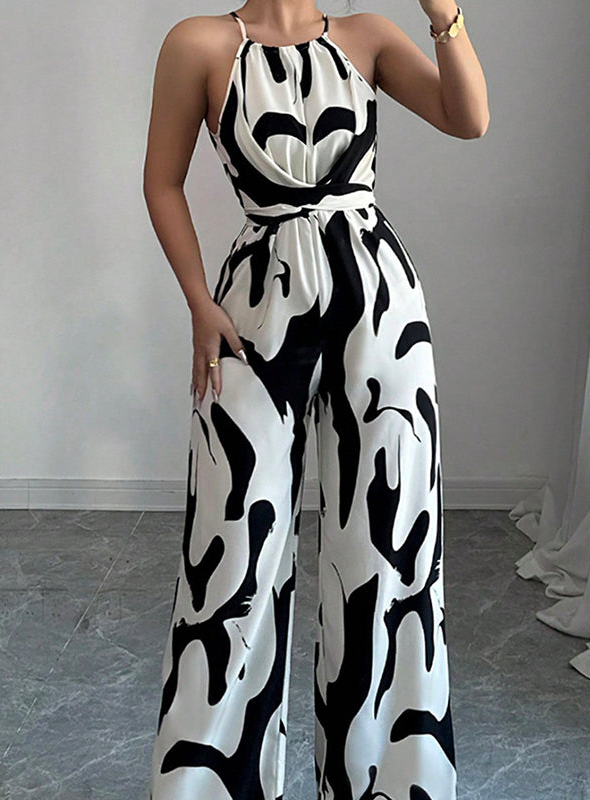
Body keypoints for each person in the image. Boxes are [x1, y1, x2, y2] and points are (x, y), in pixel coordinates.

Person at [142, 2, 488, 798]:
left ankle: (390, 783)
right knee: (232, 560)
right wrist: (198, 303)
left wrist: (445, 13)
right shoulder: (199, 44)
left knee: (388, 556)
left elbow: (468, 119)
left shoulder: (367, 36)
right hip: (254, 309)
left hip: (381, 311)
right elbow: (161, 181)